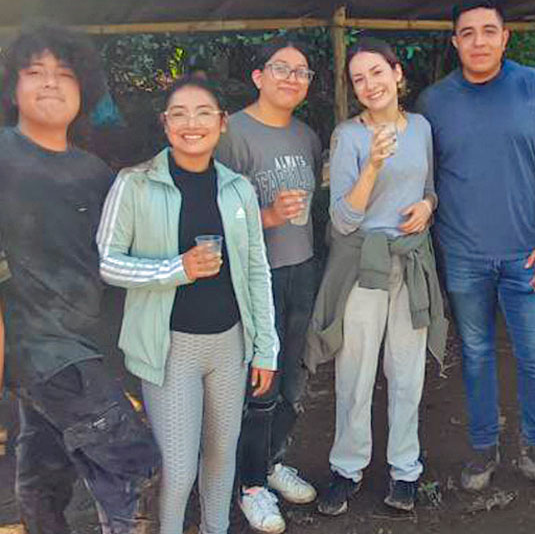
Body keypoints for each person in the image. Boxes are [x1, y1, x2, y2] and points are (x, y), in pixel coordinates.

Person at [96, 77, 280, 534]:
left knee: (221, 458)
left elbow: (257, 270)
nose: (190, 123)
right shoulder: (135, 184)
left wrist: (265, 349)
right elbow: (108, 263)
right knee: (179, 471)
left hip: (229, 345)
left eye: (203, 113)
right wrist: (175, 268)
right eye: (178, 113)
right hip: (169, 349)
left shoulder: (238, 189)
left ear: (221, 124)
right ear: (165, 124)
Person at [0, 25, 160, 534]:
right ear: (13, 87)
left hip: (84, 347)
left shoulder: (94, 172)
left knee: (44, 475)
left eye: (63, 74)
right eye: (35, 73)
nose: (50, 83)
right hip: (43, 352)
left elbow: (123, 256)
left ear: (83, 89)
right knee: (132, 460)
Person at [416, 0, 535, 497]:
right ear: (455, 41)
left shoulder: (533, 88)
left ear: (506, 38)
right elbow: (422, 178)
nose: (479, 41)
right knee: (477, 354)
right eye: (468, 32)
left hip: (529, 254)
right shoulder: (435, 102)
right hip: (464, 254)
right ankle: (484, 448)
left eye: (489, 31)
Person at [305, 37, 446, 516]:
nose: (369, 85)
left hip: (412, 261)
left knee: (407, 373)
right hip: (363, 264)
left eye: (376, 73)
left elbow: (430, 189)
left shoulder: (422, 128)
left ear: (397, 73)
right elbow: (342, 220)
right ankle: (347, 467)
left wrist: (427, 206)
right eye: (358, 79)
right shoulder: (348, 136)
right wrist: (374, 166)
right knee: (355, 373)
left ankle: (405, 469)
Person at [216, 38, 322, 532]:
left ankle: (273, 462)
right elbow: (209, 212)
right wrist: (267, 214)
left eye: (302, 72)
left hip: (302, 269)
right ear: (258, 76)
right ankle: (250, 486)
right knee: (262, 383)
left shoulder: (306, 135)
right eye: (282, 69)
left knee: (294, 379)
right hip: (256, 278)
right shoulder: (232, 133)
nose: (292, 78)